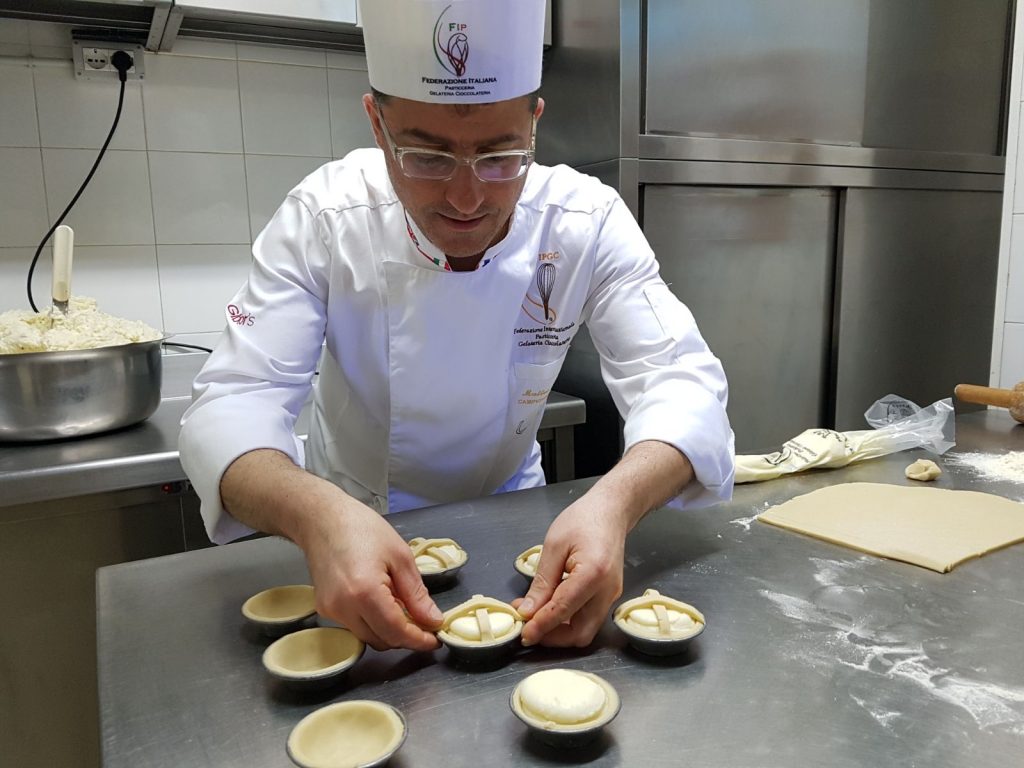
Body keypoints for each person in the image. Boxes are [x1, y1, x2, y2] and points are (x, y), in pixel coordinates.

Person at [179, 0, 734, 653]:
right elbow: (234, 404)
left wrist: (613, 503)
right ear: (377, 126)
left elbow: (682, 384)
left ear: (534, 122)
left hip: (517, 527)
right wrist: (316, 514)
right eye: (427, 157)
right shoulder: (325, 218)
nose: (467, 198)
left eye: (501, 156)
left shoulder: (584, 220)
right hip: (354, 531)